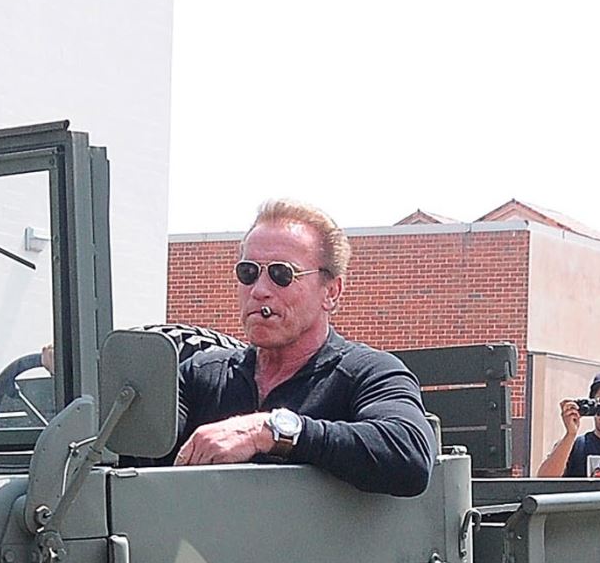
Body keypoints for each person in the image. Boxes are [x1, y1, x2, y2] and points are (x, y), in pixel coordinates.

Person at [173, 200, 434, 496]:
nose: (259, 290)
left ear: (331, 292)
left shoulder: (369, 373)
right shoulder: (200, 376)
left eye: (282, 274)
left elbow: (409, 455)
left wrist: (270, 431)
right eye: (248, 272)